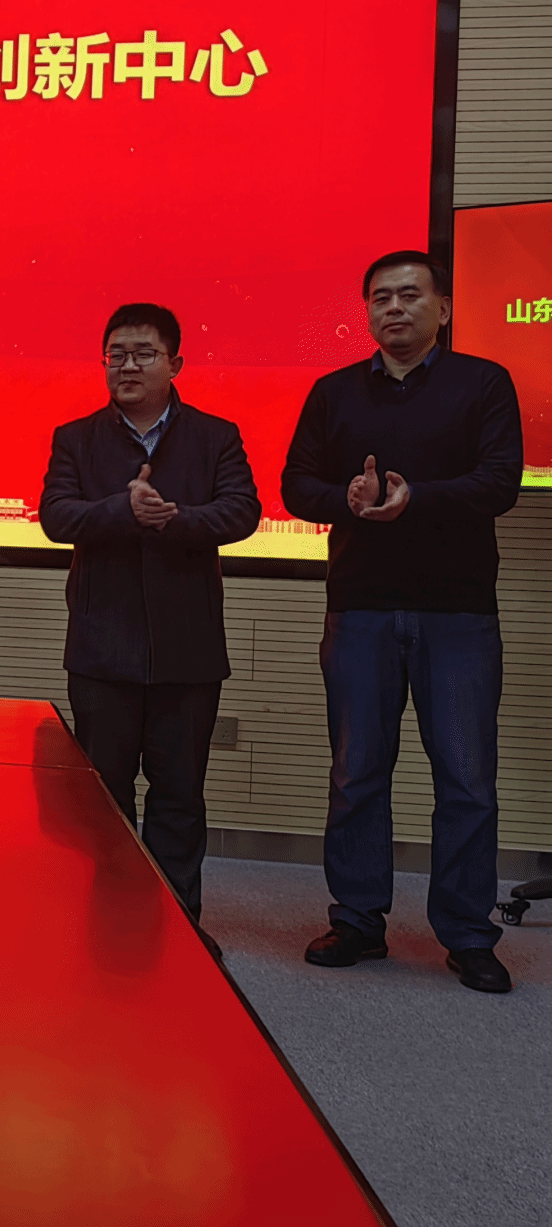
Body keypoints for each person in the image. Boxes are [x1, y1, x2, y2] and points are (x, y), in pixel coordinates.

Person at [282, 249, 523, 994]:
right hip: (360, 608)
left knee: (467, 779)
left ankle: (468, 933)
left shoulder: (483, 383)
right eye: (381, 297)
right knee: (356, 774)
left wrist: (416, 498)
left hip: (458, 612)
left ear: (442, 309)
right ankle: (358, 920)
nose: (395, 307)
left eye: (411, 295)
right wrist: (347, 499)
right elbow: (296, 486)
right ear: (367, 311)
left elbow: (499, 483)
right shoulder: (333, 392)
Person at [38, 303, 261, 924]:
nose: (127, 366)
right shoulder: (76, 437)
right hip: (101, 650)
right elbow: (56, 515)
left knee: (179, 799)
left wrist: (174, 520)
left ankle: (180, 929)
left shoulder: (215, 436)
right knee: (103, 798)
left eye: (143, 354)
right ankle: (108, 923)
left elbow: (242, 511)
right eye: (117, 355)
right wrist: (122, 509)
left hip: (188, 651)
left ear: (175, 363)